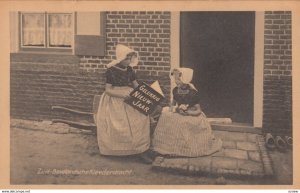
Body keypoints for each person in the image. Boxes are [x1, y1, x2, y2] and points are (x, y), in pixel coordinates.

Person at [94, 44, 152, 162]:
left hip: (129, 96)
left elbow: (136, 85)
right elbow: (108, 90)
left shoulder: (130, 69)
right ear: (120, 58)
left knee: (141, 119)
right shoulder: (111, 70)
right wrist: (121, 95)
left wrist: (147, 93)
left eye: (130, 58)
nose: (128, 61)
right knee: (119, 123)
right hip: (115, 99)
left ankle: (139, 149)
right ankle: (116, 150)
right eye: (126, 58)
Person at [152, 68, 222, 157]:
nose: (176, 82)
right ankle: (170, 147)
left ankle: (185, 148)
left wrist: (188, 112)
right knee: (165, 117)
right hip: (179, 112)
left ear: (185, 79)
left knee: (183, 123)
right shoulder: (175, 90)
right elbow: (173, 103)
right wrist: (173, 108)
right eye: (175, 79)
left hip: (191, 113)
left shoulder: (192, 93)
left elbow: (198, 110)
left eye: (178, 79)